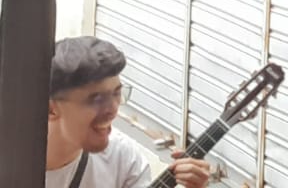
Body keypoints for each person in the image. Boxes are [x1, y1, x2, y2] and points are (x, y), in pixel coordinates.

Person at [45, 37, 210, 188]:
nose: (112, 110)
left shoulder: (123, 160)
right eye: (96, 99)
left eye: (116, 93)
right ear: (51, 109)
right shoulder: (25, 161)